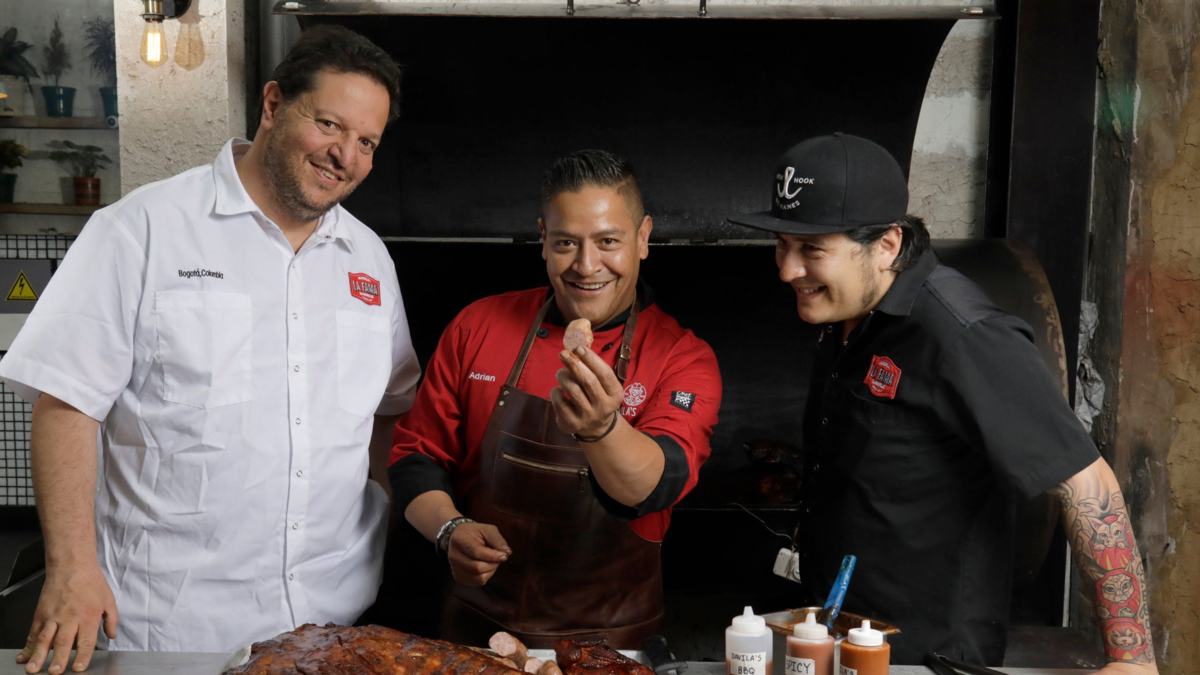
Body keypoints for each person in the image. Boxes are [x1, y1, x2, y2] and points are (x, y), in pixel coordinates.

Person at [0, 25, 420, 672]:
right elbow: (66, 401)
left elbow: (390, 410)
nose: (346, 155)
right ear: (274, 105)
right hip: (171, 627)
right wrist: (73, 568)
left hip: (333, 627)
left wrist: (381, 521)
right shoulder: (142, 230)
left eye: (367, 142)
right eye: (330, 124)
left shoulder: (369, 259)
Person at [727, 133, 1159, 671]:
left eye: (812, 250)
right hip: (839, 632)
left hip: (927, 656)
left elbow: (1086, 482)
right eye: (782, 245)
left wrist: (1132, 658)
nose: (787, 270)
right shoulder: (848, 313)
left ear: (887, 245)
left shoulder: (963, 335)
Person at [388, 150, 722, 648]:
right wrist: (449, 529)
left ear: (643, 238)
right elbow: (415, 458)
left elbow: (652, 488)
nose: (587, 266)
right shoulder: (477, 325)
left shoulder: (683, 356)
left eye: (608, 241)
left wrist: (602, 430)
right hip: (476, 634)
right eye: (566, 242)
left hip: (612, 645)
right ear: (543, 239)